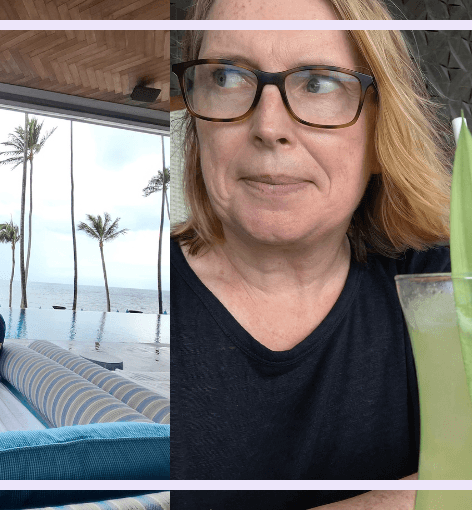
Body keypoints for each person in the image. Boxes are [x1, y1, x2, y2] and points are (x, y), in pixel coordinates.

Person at [170, 0, 452, 508]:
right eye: (227, 76)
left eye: (319, 82)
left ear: (381, 128)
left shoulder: (439, 281)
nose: (268, 126)